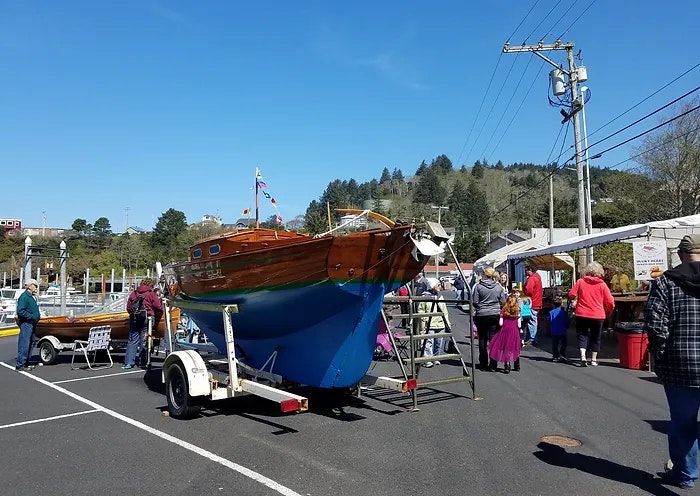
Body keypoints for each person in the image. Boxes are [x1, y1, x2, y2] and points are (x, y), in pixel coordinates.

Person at [645, 234, 700, 490]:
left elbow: (656, 325)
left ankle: (686, 474)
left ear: (680, 254)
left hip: (681, 366)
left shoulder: (666, 282)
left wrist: (662, 354)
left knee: (683, 423)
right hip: (681, 365)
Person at [568, 261, 615, 367]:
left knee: (582, 335)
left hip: (582, 313)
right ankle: (593, 359)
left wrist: (576, 298)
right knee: (596, 337)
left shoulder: (580, 282)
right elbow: (610, 301)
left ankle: (583, 357)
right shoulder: (602, 285)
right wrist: (608, 311)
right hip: (598, 314)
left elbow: (571, 294)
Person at [123, 277, 163, 369]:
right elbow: (158, 306)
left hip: (134, 318)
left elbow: (129, 308)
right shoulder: (151, 294)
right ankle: (143, 361)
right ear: (151, 285)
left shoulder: (134, 293)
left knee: (132, 340)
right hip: (147, 318)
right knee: (144, 340)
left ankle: (128, 363)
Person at [473, 267, 506, 371]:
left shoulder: (478, 287)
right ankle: (493, 364)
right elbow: (503, 302)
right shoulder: (498, 287)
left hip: (482, 314)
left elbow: (475, 301)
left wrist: (480, 307)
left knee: (482, 339)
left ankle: (483, 363)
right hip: (494, 314)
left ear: (484, 274)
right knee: (493, 339)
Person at [418, 278, 450, 368]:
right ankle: (427, 360)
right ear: (432, 286)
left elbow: (445, 311)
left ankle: (436, 358)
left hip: (440, 323)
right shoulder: (424, 297)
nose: (440, 287)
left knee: (438, 342)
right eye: (438, 285)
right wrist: (424, 320)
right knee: (428, 342)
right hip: (429, 324)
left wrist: (447, 322)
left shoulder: (440, 297)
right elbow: (420, 310)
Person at [487, 292, 522, 373]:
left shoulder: (503, 311)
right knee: (513, 348)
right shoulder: (517, 312)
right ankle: (517, 366)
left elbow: (500, 323)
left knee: (504, 347)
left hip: (504, 331)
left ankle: (506, 364)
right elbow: (519, 325)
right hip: (514, 332)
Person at [15, 279, 40, 371]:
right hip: (26, 323)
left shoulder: (31, 296)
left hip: (32, 323)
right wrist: (31, 316)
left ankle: (26, 363)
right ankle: (20, 364)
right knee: (24, 343)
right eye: (35, 286)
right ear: (30, 286)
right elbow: (20, 311)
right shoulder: (24, 297)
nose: (36, 288)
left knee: (31, 342)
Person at [523, 264, 543, 345]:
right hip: (537, 301)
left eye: (526, 270)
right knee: (534, 319)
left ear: (530, 270)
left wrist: (524, 291)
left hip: (532, 302)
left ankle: (532, 337)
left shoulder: (532, 279)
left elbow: (529, 291)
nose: (525, 272)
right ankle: (533, 337)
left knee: (532, 320)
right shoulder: (537, 278)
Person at [549, 296, 569, 362]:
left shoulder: (551, 312)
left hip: (554, 331)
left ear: (553, 304)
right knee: (564, 344)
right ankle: (562, 354)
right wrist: (567, 326)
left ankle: (555, 356)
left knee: (555, 344)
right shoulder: (564, 312)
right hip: (562, 331)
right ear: (561, 304)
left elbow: (549, 321)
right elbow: (566, 321)